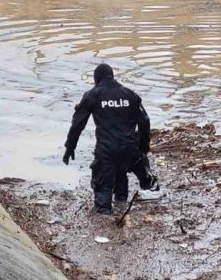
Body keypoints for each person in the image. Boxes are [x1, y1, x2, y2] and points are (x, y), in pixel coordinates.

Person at [63, 63, 159, 215]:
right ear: (112, 77)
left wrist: (70, 147)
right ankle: (122, 203)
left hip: (107, 151)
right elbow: (145, 121)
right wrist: (143, 149)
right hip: (130, 149)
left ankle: (105, 219)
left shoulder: (92, 95)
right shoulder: (130, 95)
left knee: (103, 192)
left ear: (96, 80)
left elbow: (78, 123)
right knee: (121, 173)